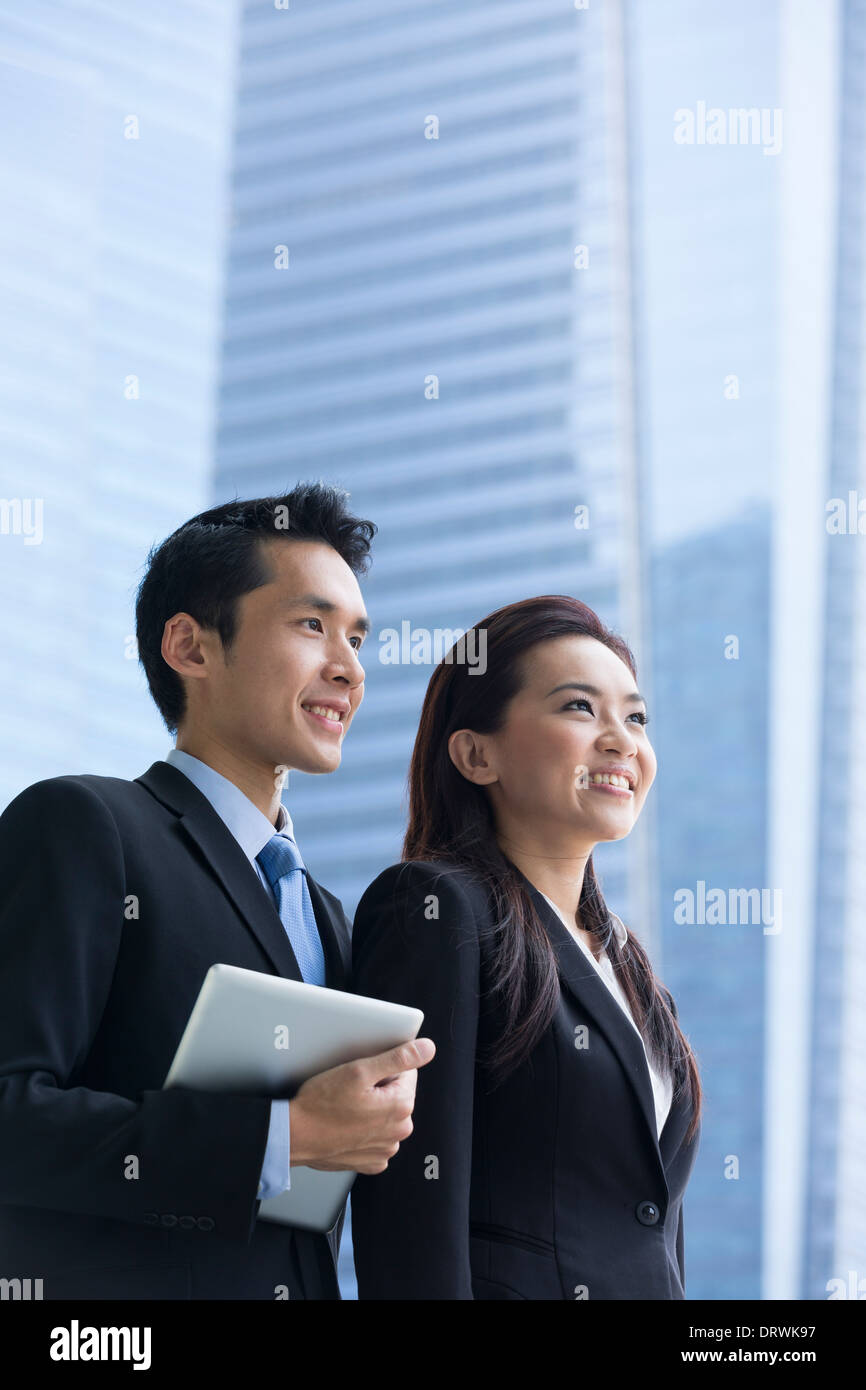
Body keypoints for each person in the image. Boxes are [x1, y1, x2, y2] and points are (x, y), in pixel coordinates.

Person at [0, 481, 433, 1300]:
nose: (348, 668)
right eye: (312, 624)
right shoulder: (86, 825)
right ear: (190, 648)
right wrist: (288, 1133)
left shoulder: (327, 914)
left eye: (358, 637)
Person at [351, 595, 702, 1300]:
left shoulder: (625, 962)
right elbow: (410, 1218)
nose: (621, 740)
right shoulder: (436, 908)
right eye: (580, 708)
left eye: (635, 717)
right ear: (476, 754)